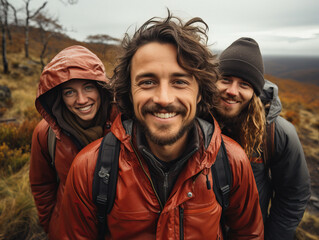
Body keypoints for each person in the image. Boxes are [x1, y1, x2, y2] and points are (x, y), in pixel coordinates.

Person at [55, 13, 264, 239]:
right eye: (148, 82)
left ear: (200, 93)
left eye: (179, 82)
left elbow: (248, 234)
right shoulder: (88, 168)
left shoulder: (232, 160)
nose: (164, 98)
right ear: (128, 93)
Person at [214, 37, 311, 239]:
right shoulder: (193, 118)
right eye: (225, 79)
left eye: (244, 84)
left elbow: (293, 195)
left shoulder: (277, 133)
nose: (232, 91)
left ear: (255, 92)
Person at [29, 45, 116, 237]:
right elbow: (42, 186)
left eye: (88, 87)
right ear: (59, 97)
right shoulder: (46, 134)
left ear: (101, 89)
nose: (82, 100)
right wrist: (53, 226)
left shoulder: (124, 123)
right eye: (70, 92)